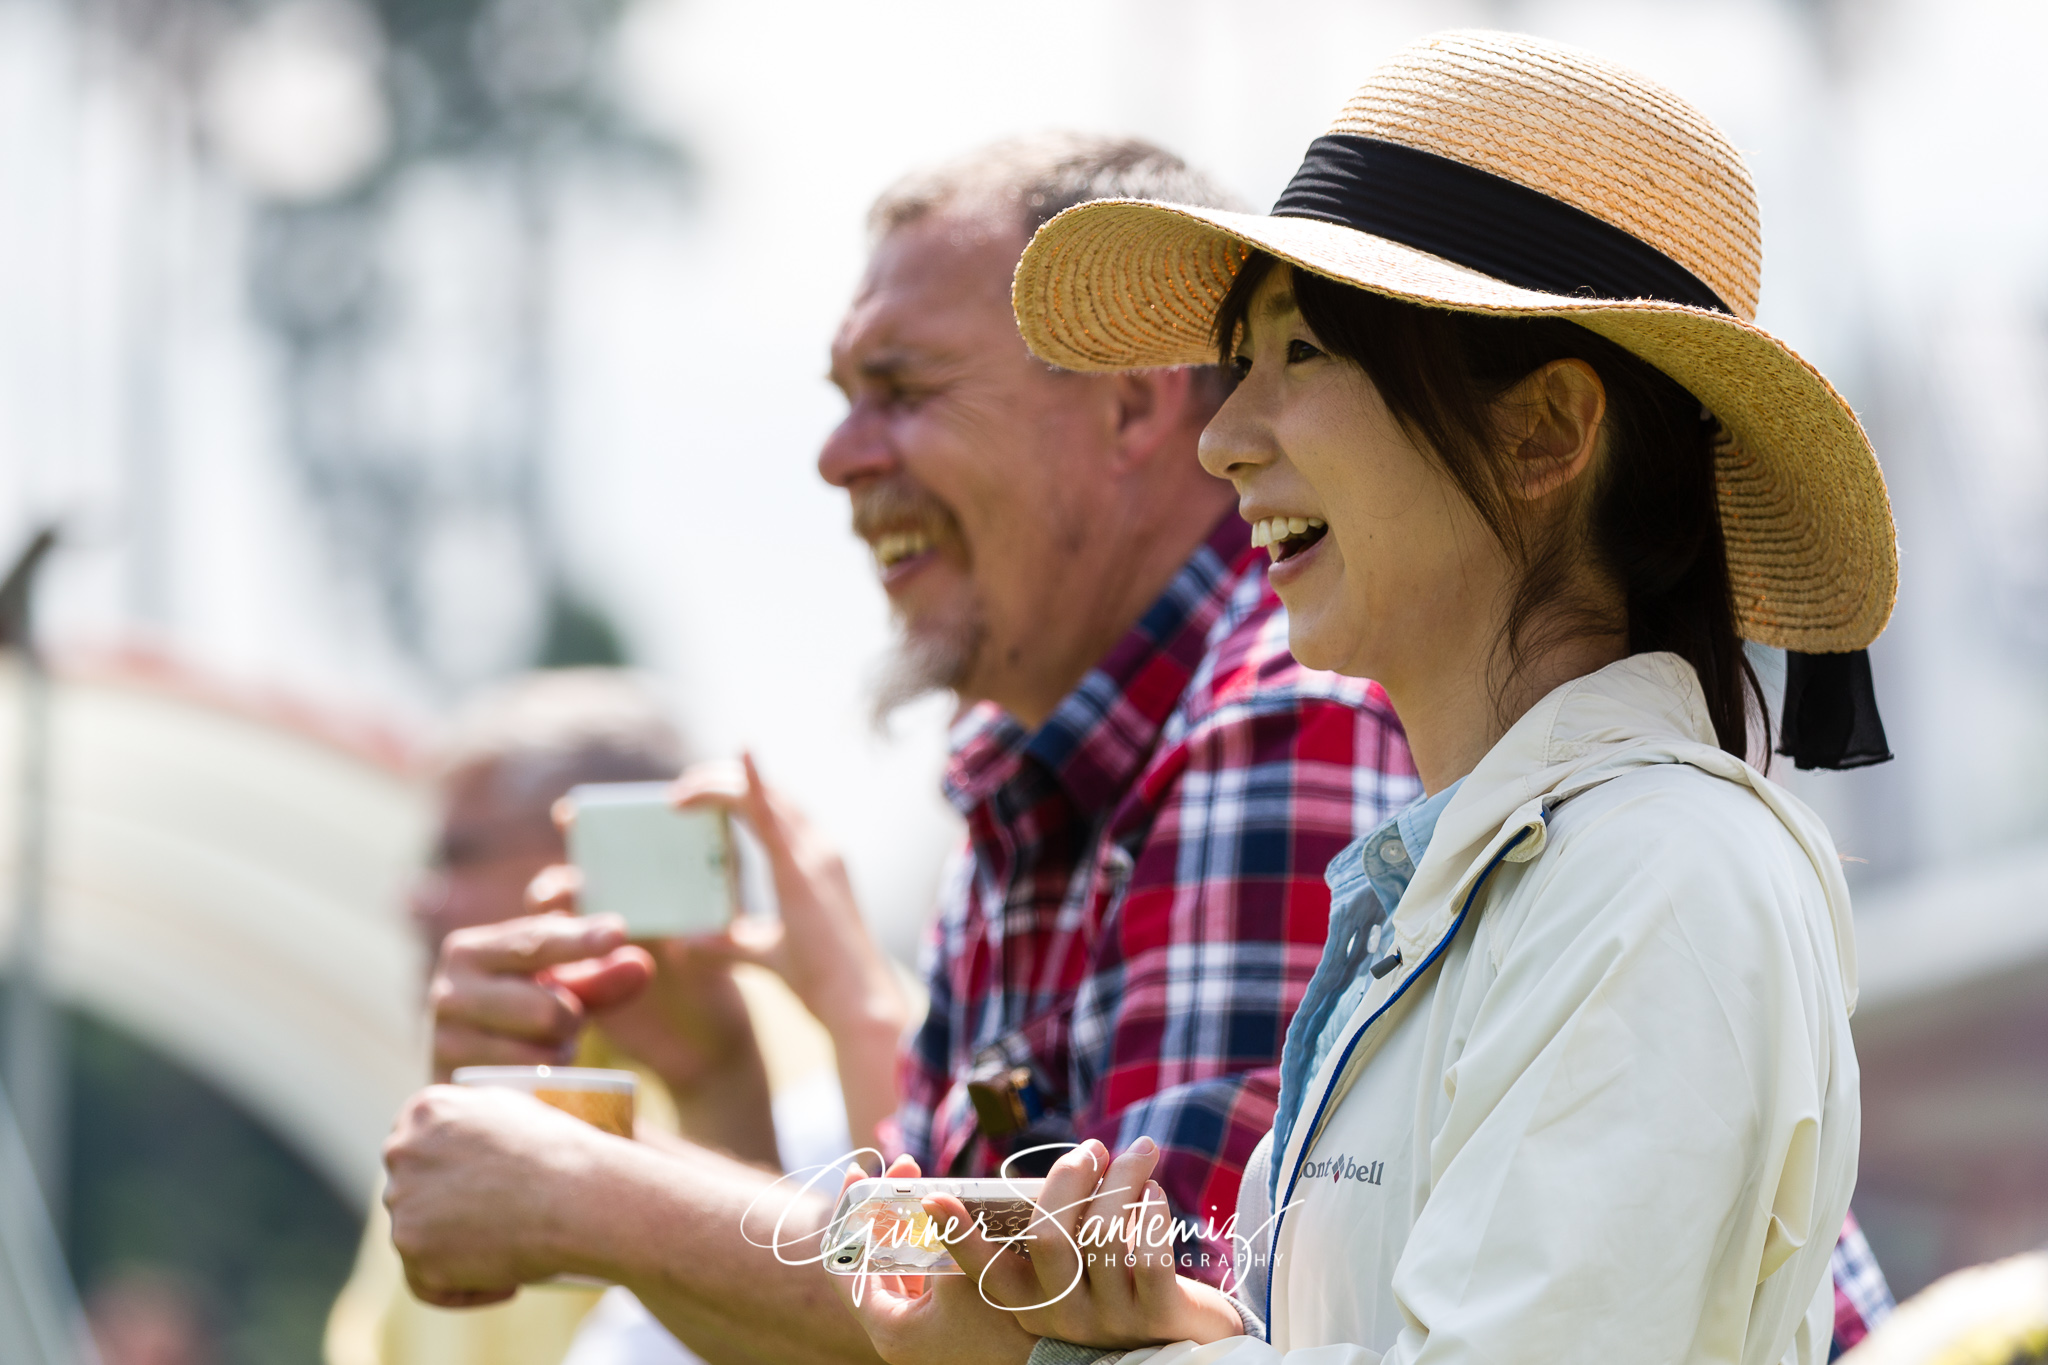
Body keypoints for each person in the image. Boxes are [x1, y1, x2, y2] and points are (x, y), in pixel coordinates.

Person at [842, 30, 1898, 1365]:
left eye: (1306, 354)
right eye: (1242, 361)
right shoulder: (1465, 885)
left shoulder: (1659, 876)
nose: (1225, 436)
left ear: (1543, 435)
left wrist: (1132, 1352)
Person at [379, 134, 1418, 1364]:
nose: (839, 457)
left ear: (1132, 402)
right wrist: (715, 1086)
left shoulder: (1274, 716)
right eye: (844, 397)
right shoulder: (1031, 770)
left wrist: (588, 1186)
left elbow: (1144, 1323)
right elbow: (916, 1326)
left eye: (904, 389)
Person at [326, 669, 840, 1365]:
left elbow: (879, 1307)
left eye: (457, 854)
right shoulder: (463, 1091)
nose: (417, 900)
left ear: (600, 837)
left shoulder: (821, 1054)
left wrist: (714, 1089)